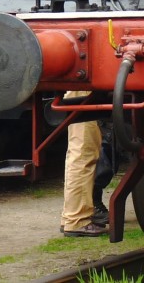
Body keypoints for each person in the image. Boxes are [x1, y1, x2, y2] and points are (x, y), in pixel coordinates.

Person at [60, 95, 107, 237]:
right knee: (83, 151)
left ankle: (71, 216)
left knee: (81, 150)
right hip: (83, 91)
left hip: (81, 91)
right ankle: (77, 220)